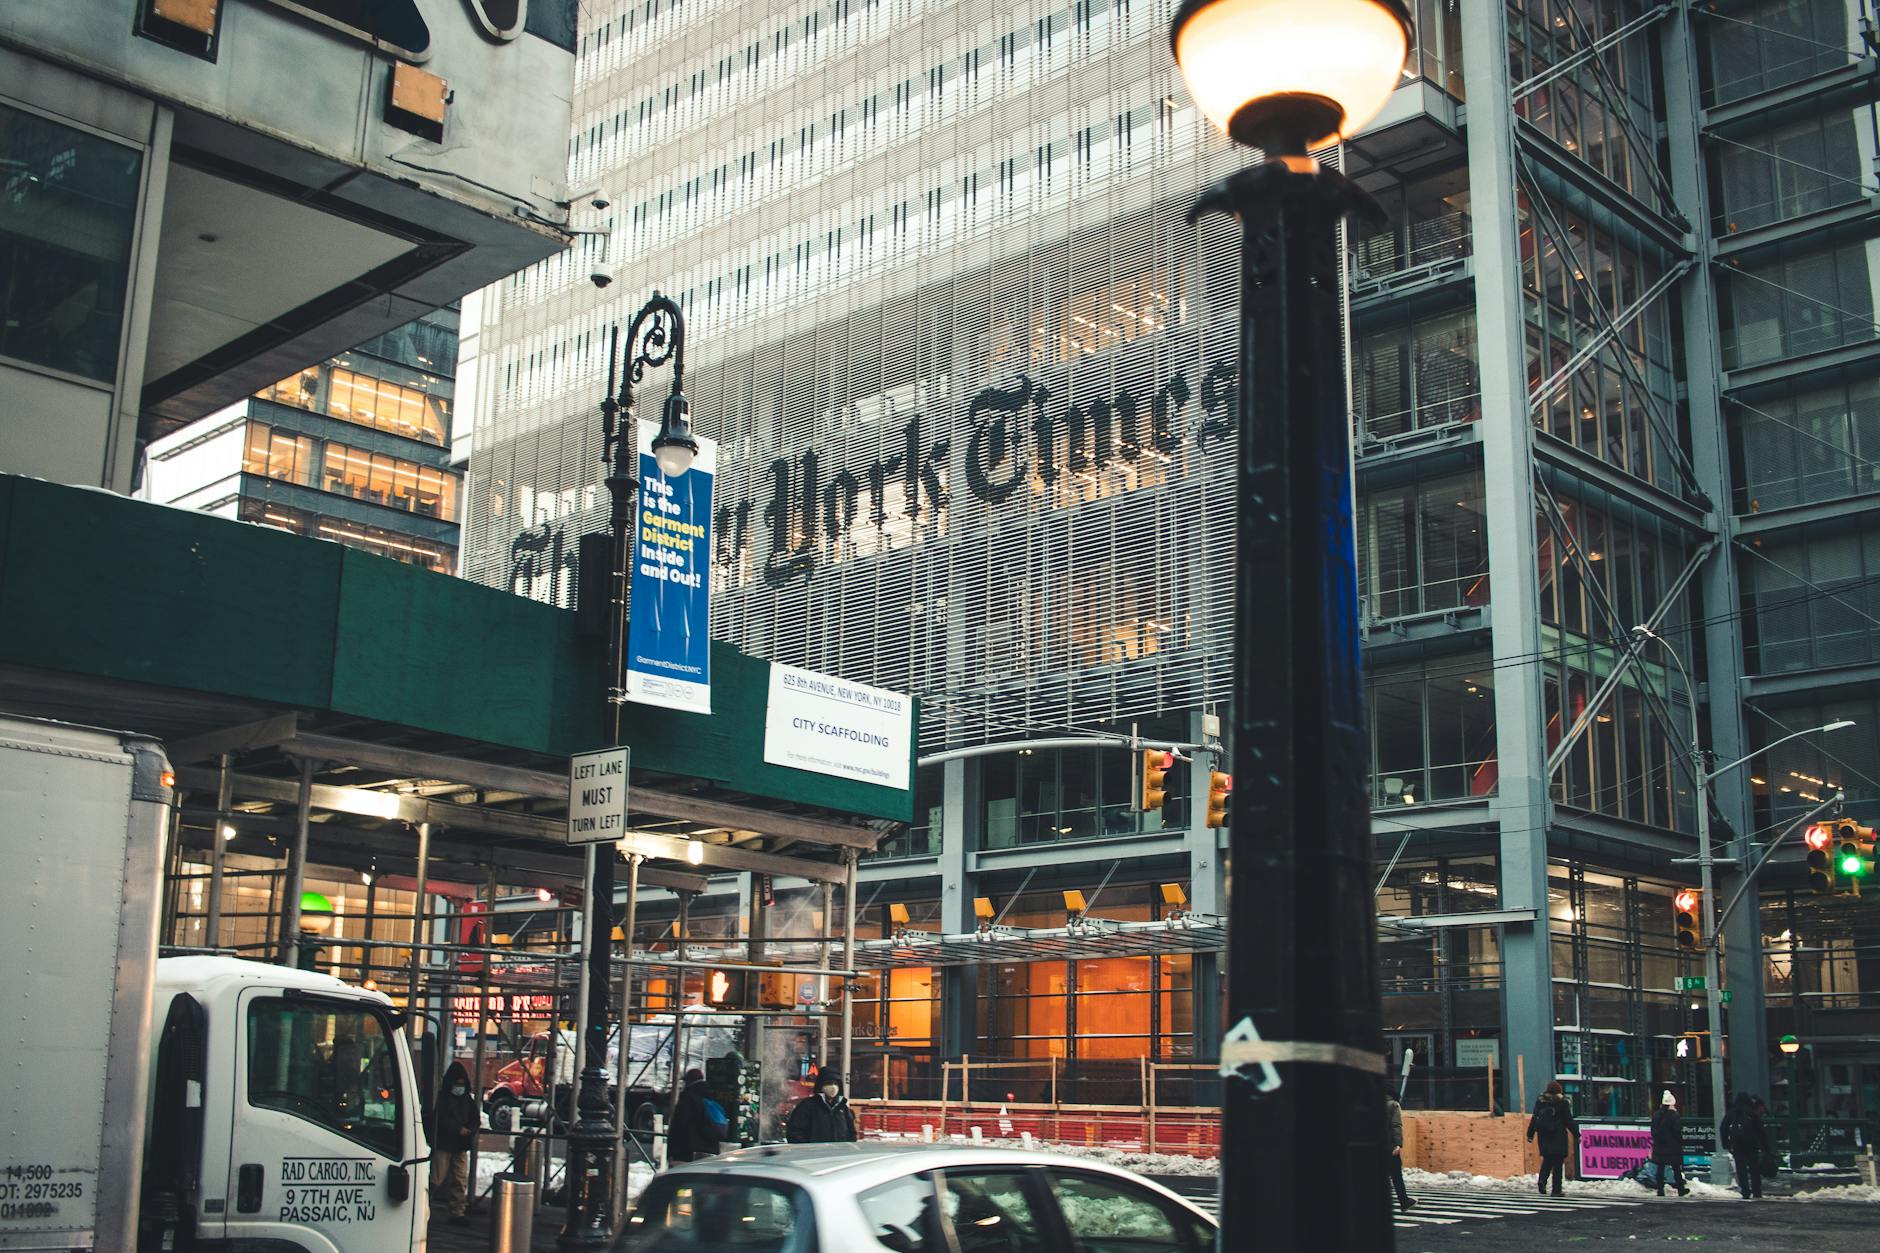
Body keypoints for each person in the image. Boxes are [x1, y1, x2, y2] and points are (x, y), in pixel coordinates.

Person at [430, 1061, 479, 1224]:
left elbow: (442, 1119)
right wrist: (463, 1129)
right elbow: (474, 1119)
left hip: (451, 1143)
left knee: (454, 1179)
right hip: (455, 1143)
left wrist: (464, 1129)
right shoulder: (465, 1099)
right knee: (441, 1179)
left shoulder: (444, 1098)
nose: (460, 1087)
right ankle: (456, 1211)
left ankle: (455, 1211)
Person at [1526, 1080, 1578, 1197]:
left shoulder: (1541, 1102)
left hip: (1544, 1137)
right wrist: (1577, 1134)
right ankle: (1556, 1190)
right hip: (1558, 1136)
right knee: (1558, 1164)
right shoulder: (1562, 1103)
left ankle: (1542, 1181)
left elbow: (1535, 1118)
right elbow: (1568, 1120)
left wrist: (1530, 1134)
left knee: (1547, 1160)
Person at [667, 1068, 728, 1164]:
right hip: (711, 1149)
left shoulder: (688, 1097)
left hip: (689, 1151)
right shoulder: (712, 1094)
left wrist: (671, 1151)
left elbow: (679, 1125)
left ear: (689, 1081)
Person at [783, 1066, 857, 1144]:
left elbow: (852, 1134)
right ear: (820, 1085)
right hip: (815, 1155)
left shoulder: (843, 1108)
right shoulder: (807, 1106)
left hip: (839, 1155)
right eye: (828, 1083)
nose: (833, 1087)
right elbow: (794, 1133)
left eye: (836, 1083)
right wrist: (808, 1150)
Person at [1722, 1091, 1772, 1199]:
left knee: (1741, 1169)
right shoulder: (1752, 1113)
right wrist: (1765, 1148)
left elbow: (1723, 1128)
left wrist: (1726, 1144)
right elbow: (1760, 1131)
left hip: (1737, 1145)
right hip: (1752, 1145)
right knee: (1754, 1169)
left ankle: (1745, 1191)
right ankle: (1756, 1191)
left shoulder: (1732, 1113)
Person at [1650, 1090, 1689, 1196]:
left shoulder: (1656, 1115)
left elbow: (1653, 1130)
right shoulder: (1674, 1115)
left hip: (1659, 1145)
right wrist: (1680, 1141)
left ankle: (1660, 1189)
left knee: (1660, 1168)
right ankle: (1680, 1189)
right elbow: (1677, 1131)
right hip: (1672, 1146)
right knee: (1676, 1168)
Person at [1385, 1094, 1415, 1212]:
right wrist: (1397, 1144)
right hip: (1389, 1146)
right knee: (1396, 1175)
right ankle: (1404, 1201)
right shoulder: (1393, 1105)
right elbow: (1396, 1125)